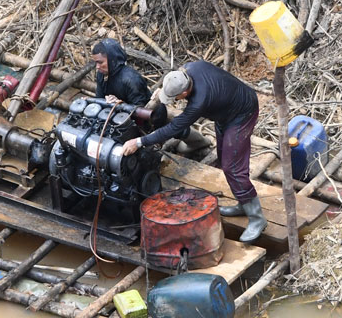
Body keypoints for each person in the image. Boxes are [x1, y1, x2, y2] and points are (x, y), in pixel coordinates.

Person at [123, 62, 269, 243]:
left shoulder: (200, 100)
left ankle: (257, 218)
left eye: (176, 98)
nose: (176, 101)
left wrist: (139, 142)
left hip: (242, 113)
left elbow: (174, 127)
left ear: (184, 93)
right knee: (225, 160)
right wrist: (161, 94)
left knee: (233, 167)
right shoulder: (190, 68)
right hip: (224, 111)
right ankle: (243, 203)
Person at [92, 38, 151, 107]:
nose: (97, 67)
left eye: (100, 62)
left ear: (112, 60)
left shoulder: (132, 80)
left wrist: (119, 104)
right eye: (96, 63)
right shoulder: (102, 74)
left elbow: (140, 110)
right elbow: (99, 100)